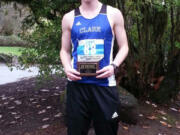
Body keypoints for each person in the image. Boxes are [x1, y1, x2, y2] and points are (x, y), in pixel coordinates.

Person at [60, 0, 129, 135]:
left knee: (108, 130)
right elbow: (64, 50)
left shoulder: (113, 13)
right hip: (77, 87)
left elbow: (124, 46)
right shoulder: (69, 18)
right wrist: (67, 68)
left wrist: (114, 66)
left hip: (105, 86)